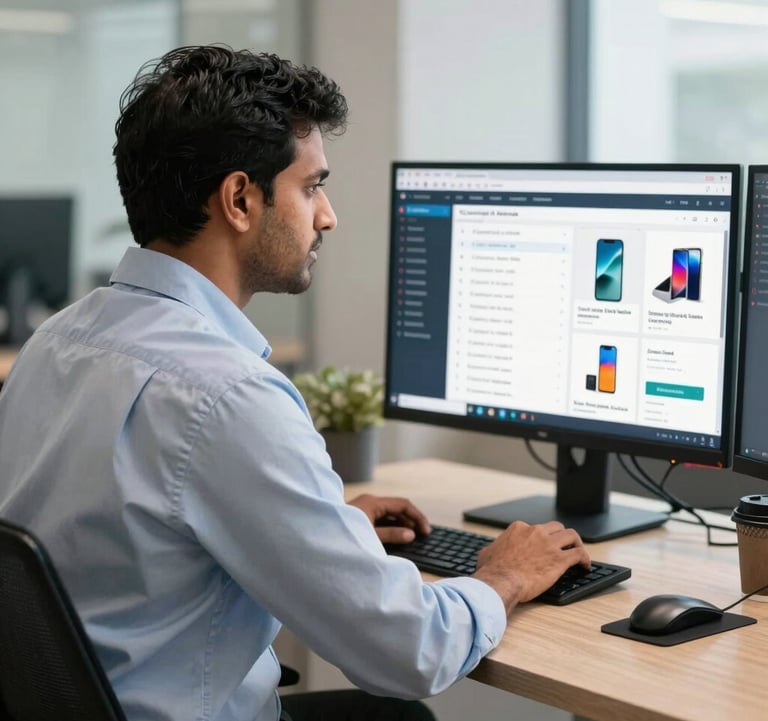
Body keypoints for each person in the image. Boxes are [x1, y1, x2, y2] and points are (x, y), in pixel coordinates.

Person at [0, 45, 590, 721]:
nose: (327, 215)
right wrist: (504, 576)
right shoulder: (227, 395)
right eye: (311, 187)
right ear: (240, 199)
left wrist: (315, 529)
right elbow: (408, 652)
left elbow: (123, 539)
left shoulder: (56, 341)